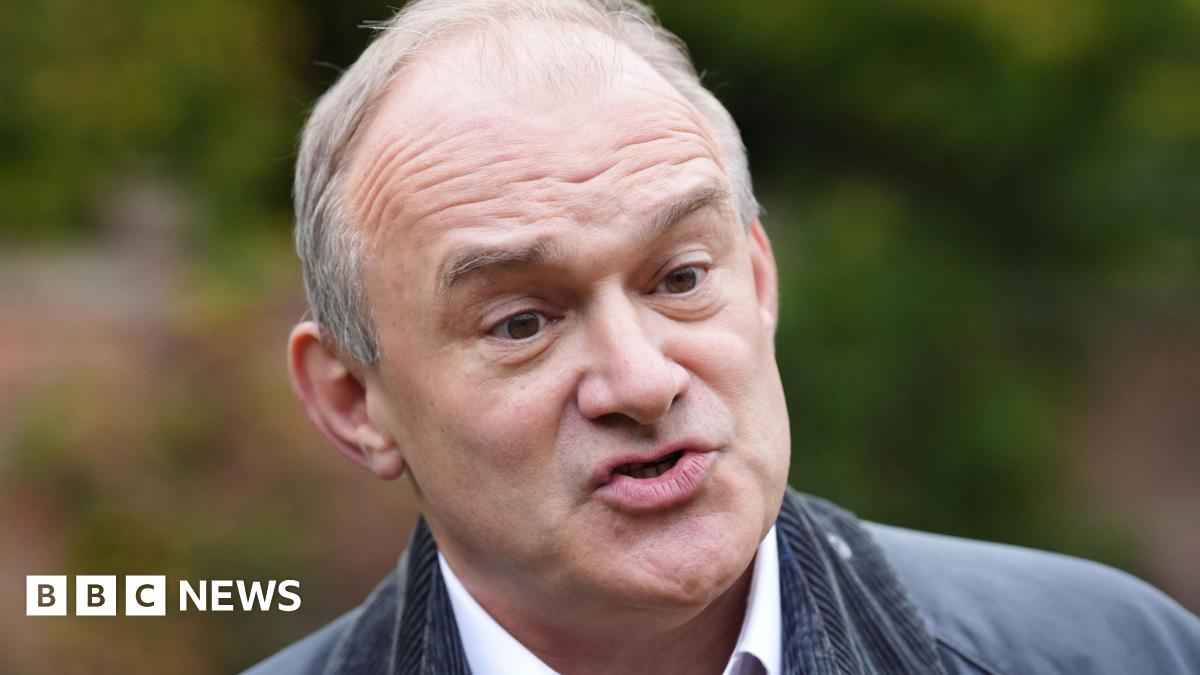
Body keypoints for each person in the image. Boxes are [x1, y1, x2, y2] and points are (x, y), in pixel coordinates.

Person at [246, 1, 1200, 673]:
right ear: (352, 400)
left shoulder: (1113, 652)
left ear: (760, 278)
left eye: (682, 278)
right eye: (522, 322)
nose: (642, 378)